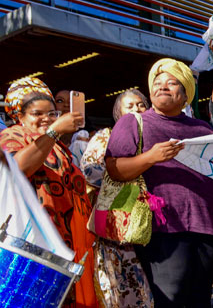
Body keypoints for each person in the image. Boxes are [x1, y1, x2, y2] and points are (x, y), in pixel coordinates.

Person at [105, 58, 213, 307]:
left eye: (171, 82)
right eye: (157, 83)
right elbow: (114, 169)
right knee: (171, 298)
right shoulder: (134, 122)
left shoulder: (203, 130)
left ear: (186, 95)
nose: (162, 87)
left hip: (207, 229)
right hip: (163, 229)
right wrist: (151, 157)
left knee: (199, 300)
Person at [0, 77, 97, 307]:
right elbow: (18, 168)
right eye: (37, 113)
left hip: (65, 246)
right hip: (31, 245)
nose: (47, 119)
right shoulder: (11, 136)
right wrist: (53, 131)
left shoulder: (60, 148)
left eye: (53, 114)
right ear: (19, 116)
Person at [80, 89, 153, 307]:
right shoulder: (106, 135)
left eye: (140, 105)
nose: (136, 110)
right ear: (117, 112)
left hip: (150, 224)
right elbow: (90, 170)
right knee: (117, 285)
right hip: (117, 223)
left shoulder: (154, 136)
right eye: (129, 106)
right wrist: (126, 177)